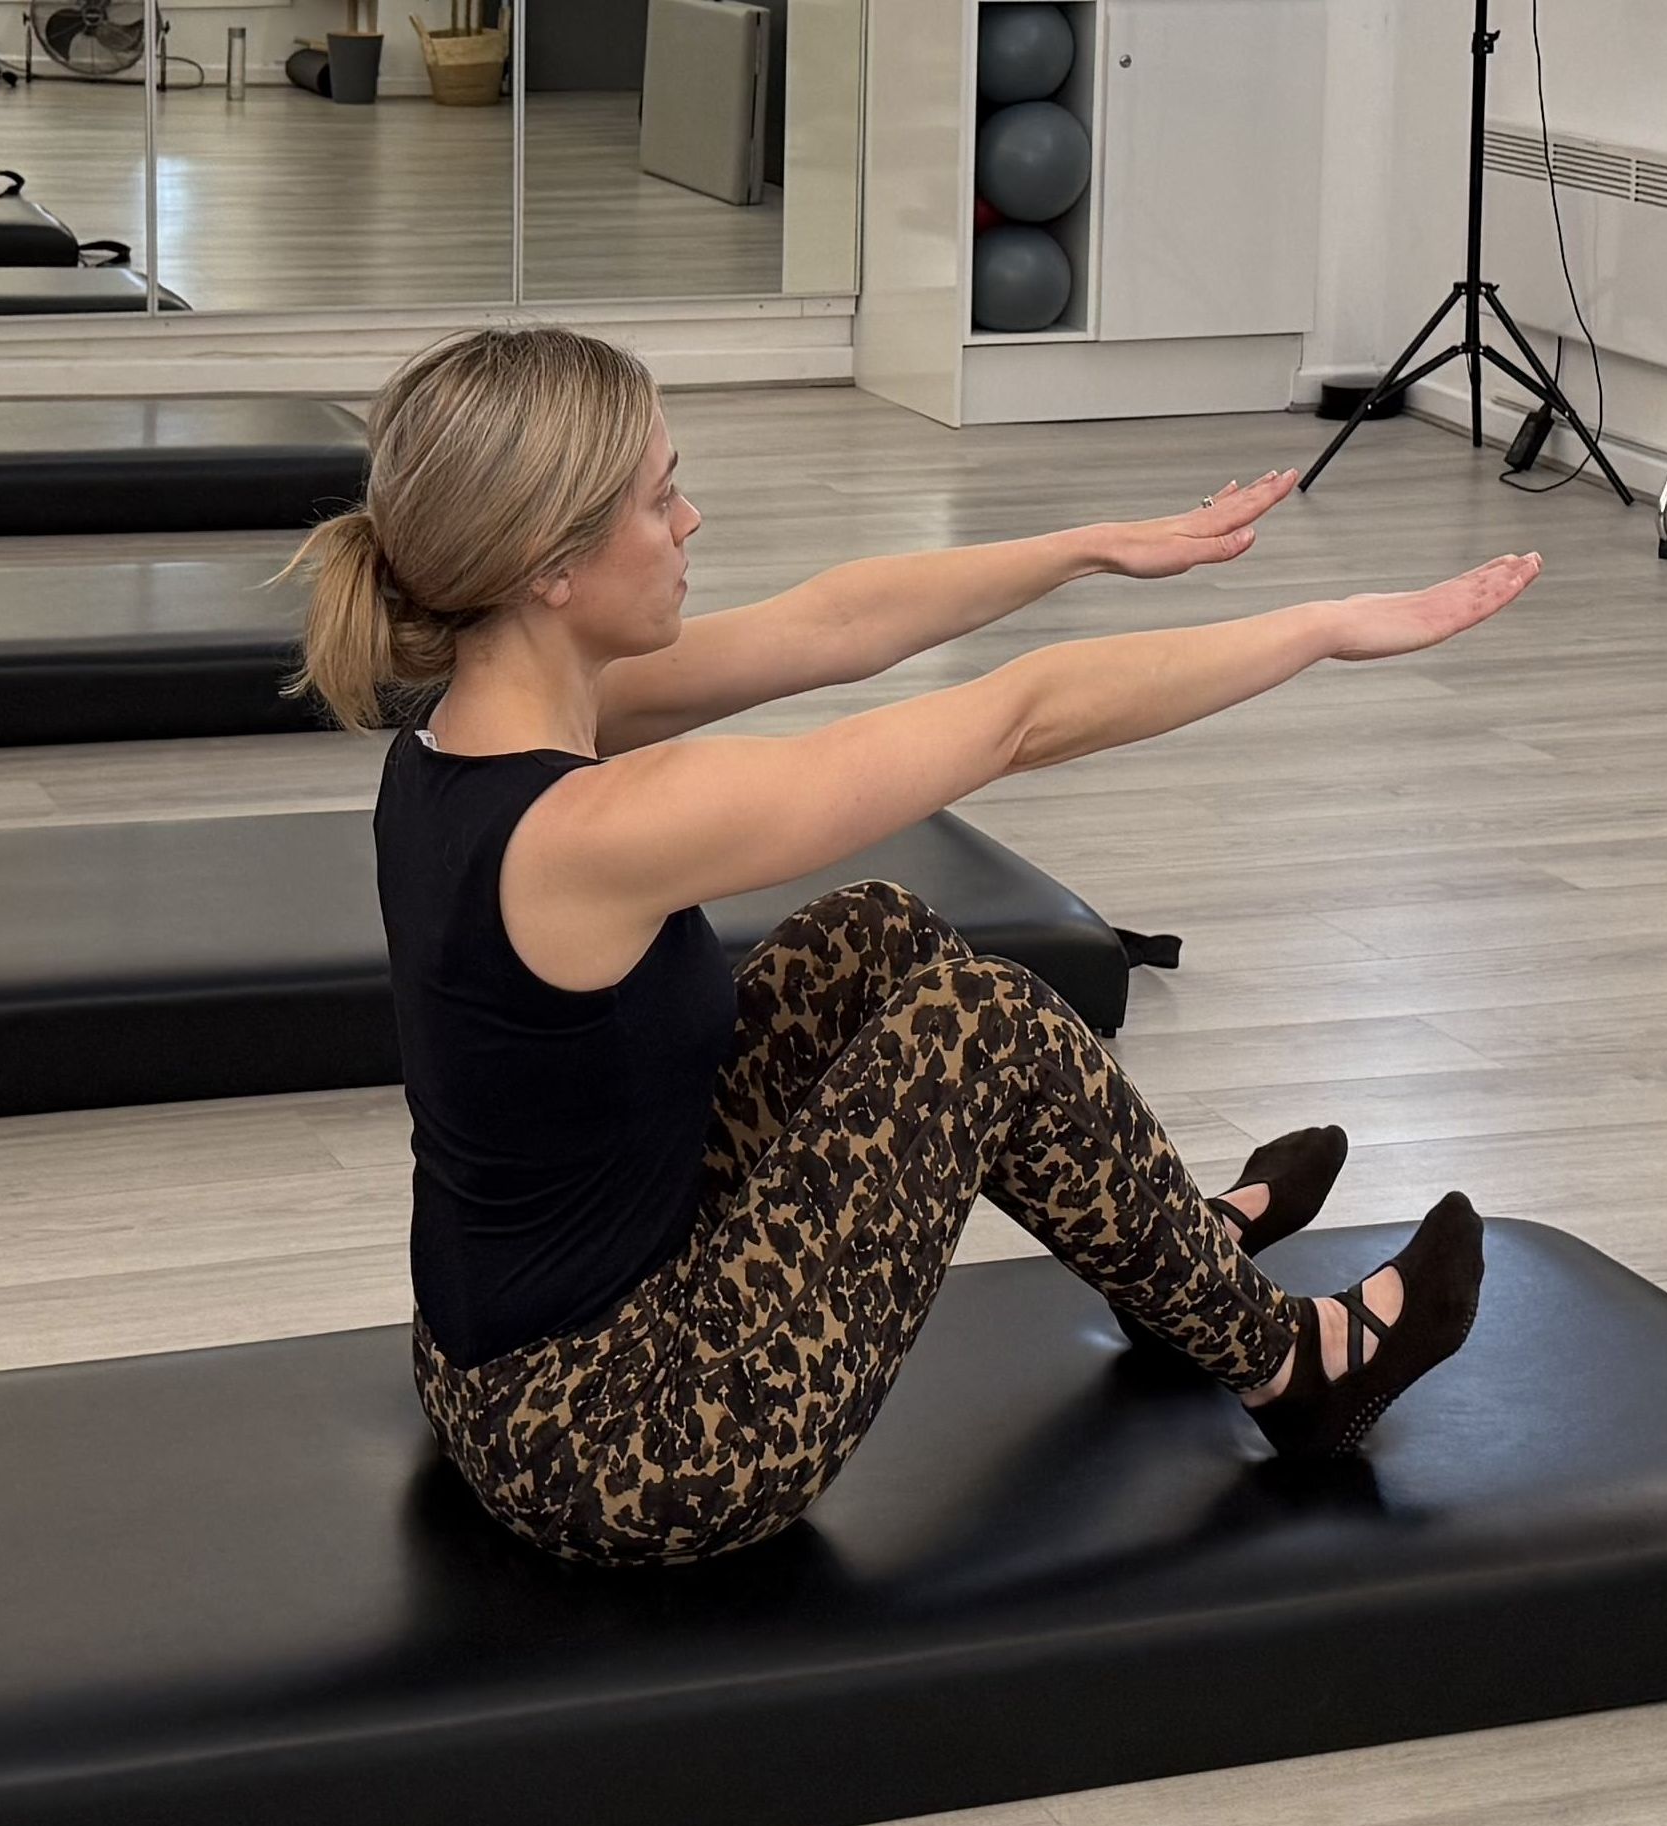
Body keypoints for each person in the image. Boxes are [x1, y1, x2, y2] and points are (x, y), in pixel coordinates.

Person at [288, 327, 1541, 1568]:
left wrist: (1091, 546)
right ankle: (1294, 1365)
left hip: (512, 1365)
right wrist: (1318, 627)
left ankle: (1170, 1264)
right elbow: (1020, 719)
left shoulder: (480, 729)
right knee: (976, 1024)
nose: (691, 521)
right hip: (621, 1440)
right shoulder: (588, 828)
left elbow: (833, 623)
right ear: (548, 567)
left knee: (867, 937)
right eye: (659, 496)